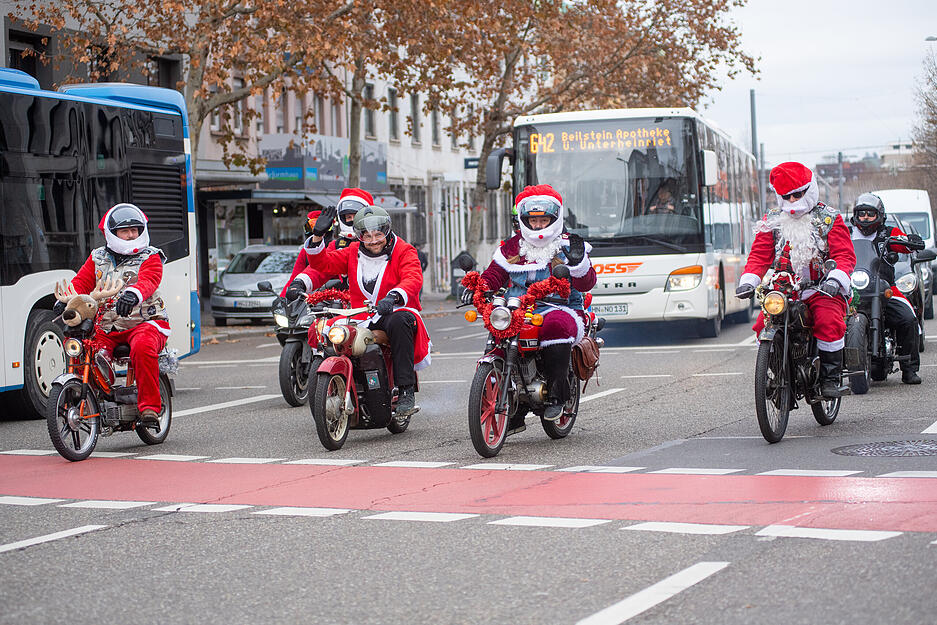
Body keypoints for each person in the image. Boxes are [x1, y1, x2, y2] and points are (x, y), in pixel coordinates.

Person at [467, 184, 597, 422]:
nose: (538, 226)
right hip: (516, 306)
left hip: (560, 306)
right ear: (525, 220)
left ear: (554, 219)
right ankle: (505, 393)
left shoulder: (570, 245)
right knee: (498, 328)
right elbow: (493, 275)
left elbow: (587, 283)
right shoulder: (512, 247)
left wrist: (580, 264)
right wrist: (478, 288)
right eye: (533, 221)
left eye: (543, 220)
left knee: (556, 326)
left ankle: (557, 394)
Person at [286, 204, 430, 417]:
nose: (373, 241)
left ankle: (406, 390)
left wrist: (394, 296)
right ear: (359, 236)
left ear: (387, 231)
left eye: (378, 234)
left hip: (394, 310)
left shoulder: (404, 250)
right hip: (361, 314)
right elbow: (323, 265)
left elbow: (413, 277)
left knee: (400, 322)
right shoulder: (353, 251)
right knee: (329, 332)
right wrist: (317, 237)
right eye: (367, 236)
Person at [735, 162, 856, 398]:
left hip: (822, 289)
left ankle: (829, 379)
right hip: (784, 289)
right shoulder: (772, 221)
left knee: (828, 320)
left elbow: (844, 255)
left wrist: (835, 279)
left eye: (797, 194)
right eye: (786, 196)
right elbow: (759, 255)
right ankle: (777, 373)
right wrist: (749, 281)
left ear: (809, 190)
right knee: (763, 324)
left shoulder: (829, 218)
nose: (792, 201)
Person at [52, 203, 170, 424]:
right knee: (83, 345)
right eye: (125, 231)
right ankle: (93, 393)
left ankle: (150, 408)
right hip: (107, 327)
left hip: (146, 323)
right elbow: (81, 283)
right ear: (112, 233)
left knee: (143, 348)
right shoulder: (97, 257)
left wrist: (133, 294)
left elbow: (149, 280)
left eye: (135, 230)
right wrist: (65, 302)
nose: (131, 235)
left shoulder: (151, 256)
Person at [849, 192, 925, 384]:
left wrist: (910, 243)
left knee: (908, 318)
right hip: (852, 288)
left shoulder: (888, 233)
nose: (865, 218)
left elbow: (905, 245)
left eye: (870, 214)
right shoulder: (846, 233)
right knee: (825, 319)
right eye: (861, 213)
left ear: (880, 215)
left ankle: (909, 368)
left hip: (884, 288)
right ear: (855, 215)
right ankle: (829, 373)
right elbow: (830, 246)